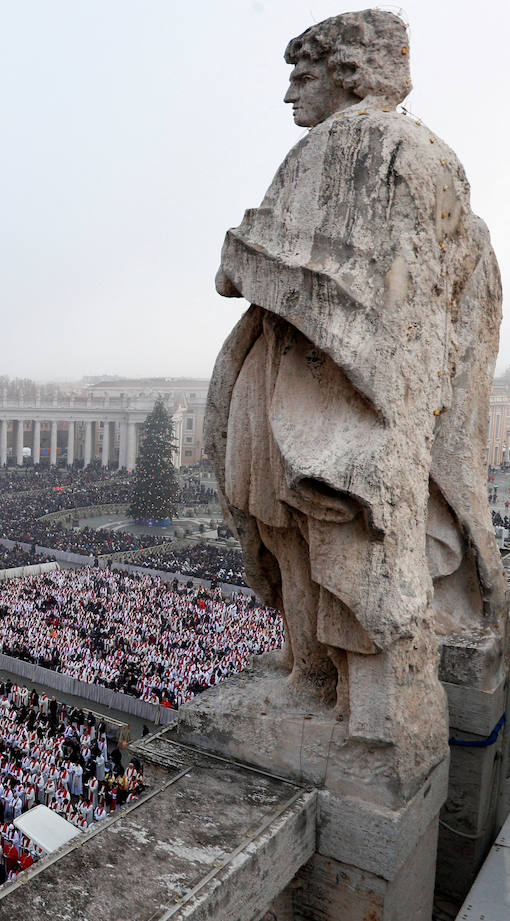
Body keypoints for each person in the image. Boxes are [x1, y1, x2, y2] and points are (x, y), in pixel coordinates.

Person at [208, 10, 506, 744]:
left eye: (301, 75)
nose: (289, 97)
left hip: (315, 387)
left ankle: (318, 680)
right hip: (381, 397)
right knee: (313, 535)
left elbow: (242, 270)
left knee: (302, 531)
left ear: (345, 74)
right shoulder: (439, 157)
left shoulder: (342, 148)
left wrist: (242, 257)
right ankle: (332, 683)